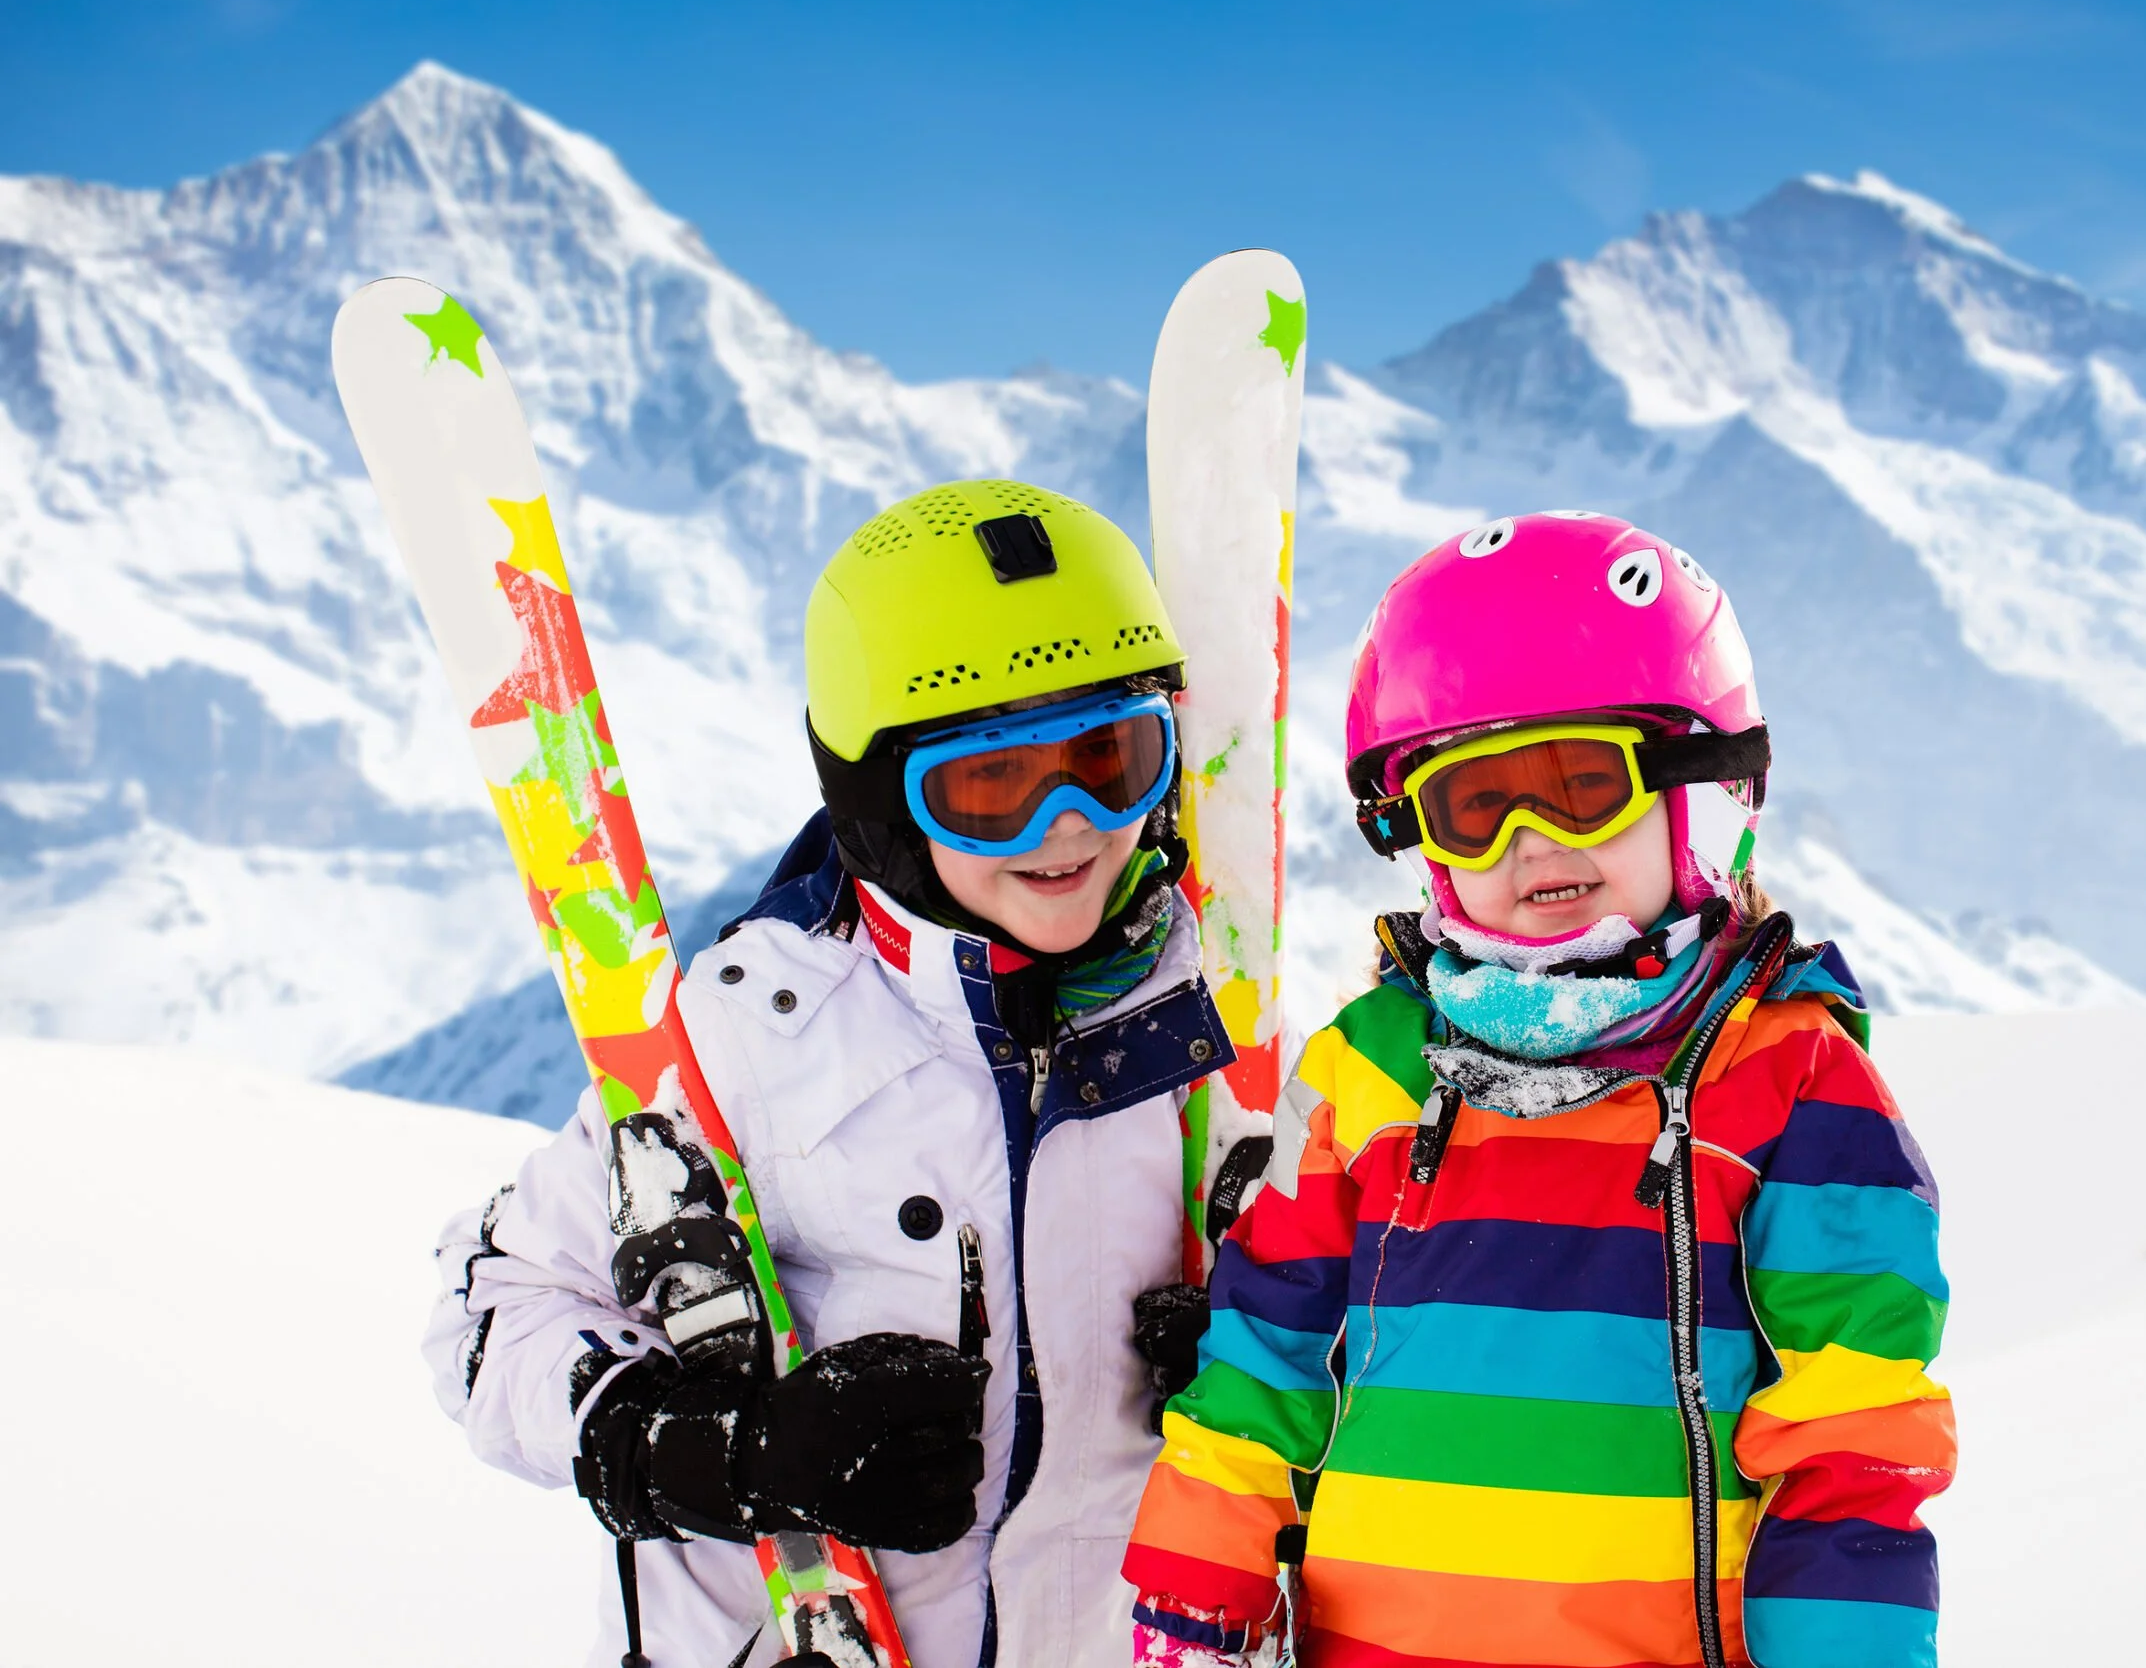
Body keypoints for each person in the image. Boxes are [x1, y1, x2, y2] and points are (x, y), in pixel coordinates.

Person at [1121, 512, 1956, 1668]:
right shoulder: (1369, 1068)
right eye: (1477, 805)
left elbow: (1853, 1430)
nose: (1530, 844)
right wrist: (1196, 1579)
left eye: (1579, 786)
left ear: (1702, 788)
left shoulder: (1788, 1077)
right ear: (1421, 839)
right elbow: (1265, 1349)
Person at [427, 479, 1232, 1668]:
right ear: (878, 799)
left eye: (1110, 760)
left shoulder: (1213, 1035)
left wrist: (1267, 1361)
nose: (1066, 824)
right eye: (991, 785)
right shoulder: (748, 1043)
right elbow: (485, 1316)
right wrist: (719, 1452)